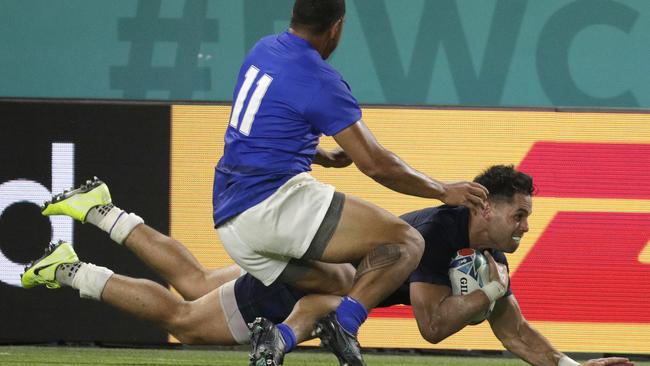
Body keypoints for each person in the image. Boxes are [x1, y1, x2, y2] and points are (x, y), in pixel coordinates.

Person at [23, 168, 633, 366]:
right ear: (485, 206)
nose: (527, 225)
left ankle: (100, 212)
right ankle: (68, 270)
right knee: (184, 318)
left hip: (303, 279)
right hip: (295, 294)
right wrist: (480, 300)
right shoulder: (438, 232)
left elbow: (516, 331)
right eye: (520, 215)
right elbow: (432, 326)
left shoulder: (484, 256)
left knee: (191, 281)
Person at [212, 0, 488, 364]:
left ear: (295, 16)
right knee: (407, 242)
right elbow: (376, 164)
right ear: (337, 26)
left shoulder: (263, 49)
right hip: (272, 203)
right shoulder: (318, 78)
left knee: (347, 280)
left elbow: (255, 132)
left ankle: (277, 337)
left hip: (230, 222)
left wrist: (321, 156)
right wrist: (443, 190)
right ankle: (343, 326)